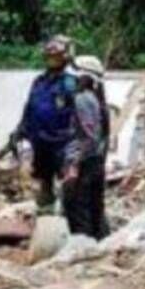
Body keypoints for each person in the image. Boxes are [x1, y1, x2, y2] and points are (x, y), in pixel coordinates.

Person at [14, 36, 79, 214]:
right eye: (49, 56)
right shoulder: (39, 82)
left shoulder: (70, 83)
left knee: (68, 184)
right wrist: (21, 130)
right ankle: (44, 218)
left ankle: (69, 221)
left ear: (65, 58)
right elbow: (30, 107)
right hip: (40, 142)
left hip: (62, 142)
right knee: (44, 183)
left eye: (57, 56)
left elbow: (78, 112)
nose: (52, 59)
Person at [64, 55, 111, 239]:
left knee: (77, 211)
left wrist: (74, 164)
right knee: (94, 210)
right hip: (94, 163)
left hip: (84, 164)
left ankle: (83, 251)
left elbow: (88, 138)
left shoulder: (82, 99)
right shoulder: (96, 100)